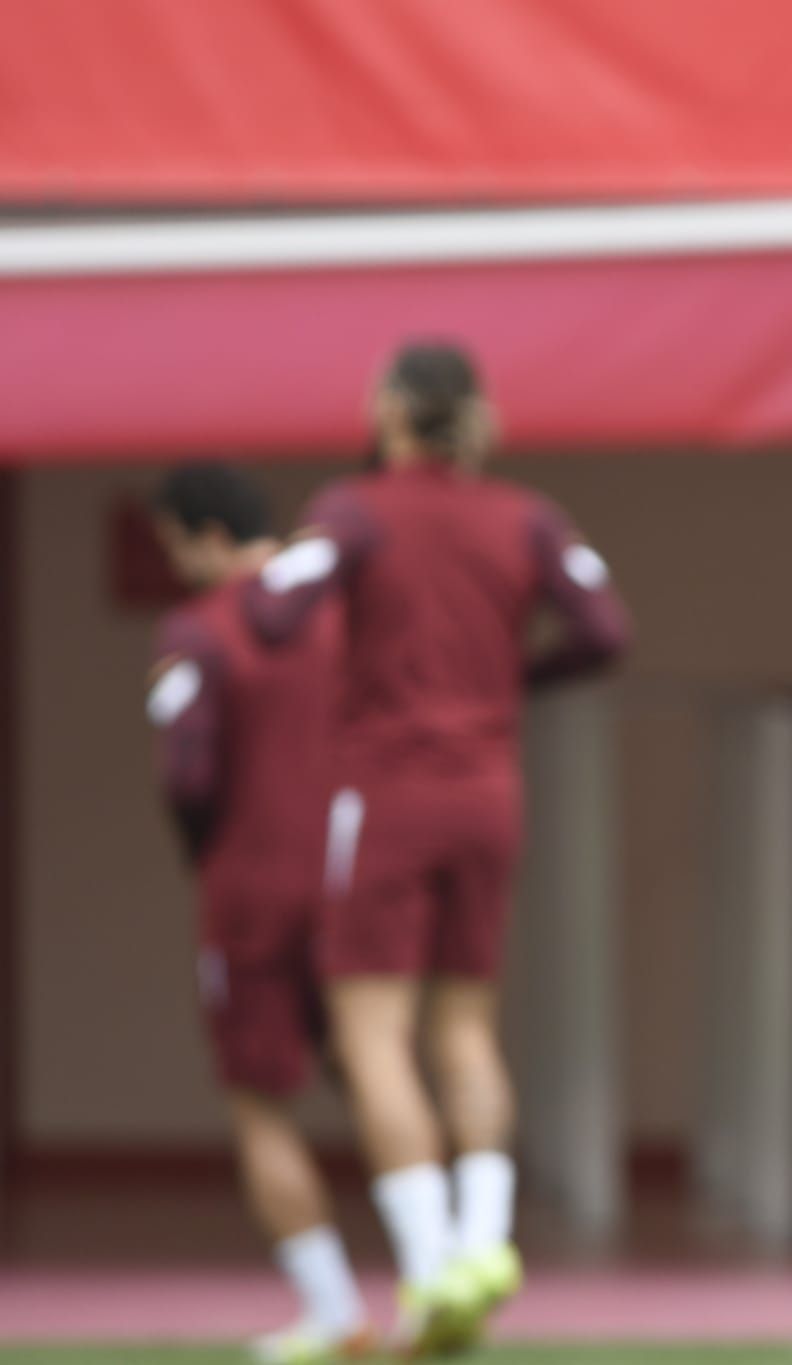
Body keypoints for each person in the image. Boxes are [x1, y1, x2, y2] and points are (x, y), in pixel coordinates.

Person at [247, 342, 631, 1354]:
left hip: (387, 793)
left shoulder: (356, 509)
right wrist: (509, 682)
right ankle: (482, 1246)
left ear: (388, 412)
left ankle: (428, 1270)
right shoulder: (526, 517)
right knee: (466, 1028)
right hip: (489, 793)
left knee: (373, 1033)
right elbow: (602, 629)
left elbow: (273, 608)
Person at [146, 464, 373, 1365]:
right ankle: (439, 1263)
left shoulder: (199, 628)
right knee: (383, 1069)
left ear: (205, 536)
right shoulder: (344, 615)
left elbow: (187, 773)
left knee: (258, 1101)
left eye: (173, 547)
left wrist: (205, 847)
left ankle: (334, 1312)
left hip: (249, 886)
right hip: (357, 882)